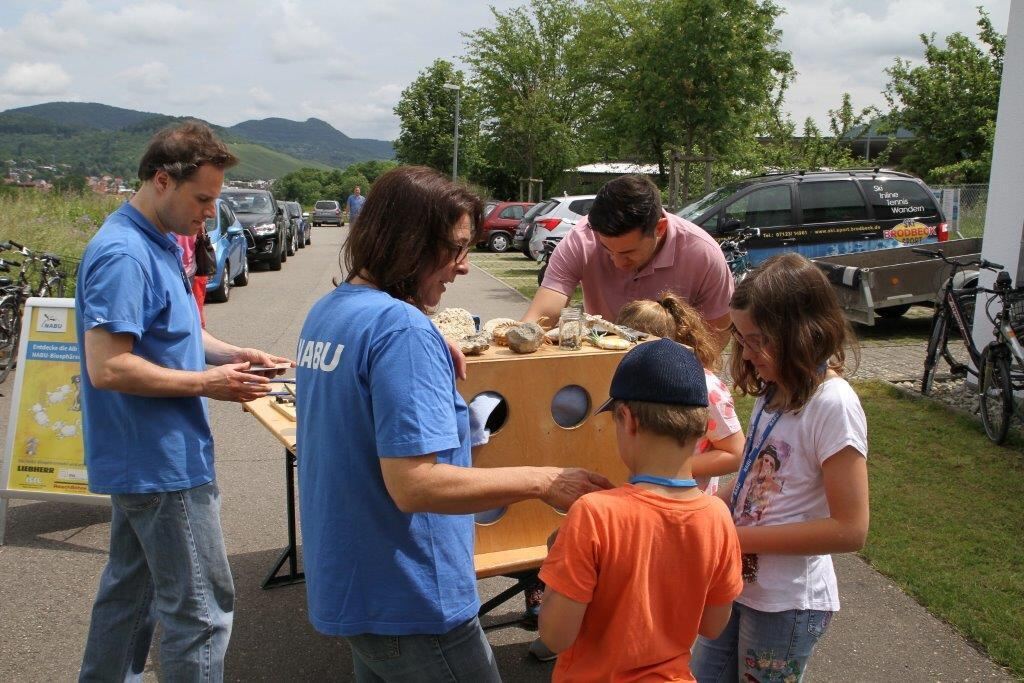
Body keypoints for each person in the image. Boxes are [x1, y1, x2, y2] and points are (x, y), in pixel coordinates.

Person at [294, 165, 612, 682]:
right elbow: (414, 483)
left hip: (356, 588)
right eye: (457, 248)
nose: (464, 267)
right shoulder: (399, 331)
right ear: (409, 243)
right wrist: (545, 481)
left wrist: (418, 333)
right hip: (412, 599)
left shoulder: (330, 312)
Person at [75, 121, 292, 682]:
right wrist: (209, 385)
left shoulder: (159, 240)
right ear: (161, 181)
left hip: (148, 461)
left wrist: (231, 353)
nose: (209, 213)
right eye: (203, 199)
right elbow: (109, 366)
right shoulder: (124, 253)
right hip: (160, 466)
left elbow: (175, 337)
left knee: (130, 598)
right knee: (200, 614)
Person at [691, 252, 870, 682]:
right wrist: (695, 509)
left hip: (786, 603)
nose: (748, 355)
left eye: (758, 340)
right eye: (742, 339)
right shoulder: (773, 391)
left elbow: (850, 529)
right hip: (739, 583)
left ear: (802, 333)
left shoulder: (834, 405)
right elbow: (754, 481)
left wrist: (733, 537)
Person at [536, 339, 743, 681]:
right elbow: (712, 625)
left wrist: (559, 559)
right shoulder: (718, 517)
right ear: (703, 426)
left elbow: (555, 636)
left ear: (627, 419)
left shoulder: (594, 515)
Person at [523, 175, 734, 352]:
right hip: (600, 359)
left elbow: (714, 340)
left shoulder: (703, 253)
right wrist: (519, 339)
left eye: (628, 253)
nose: (617, 262)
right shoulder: (581, 238)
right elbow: (544, 313)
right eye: (606, 250)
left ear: (659, 229)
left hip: (671, 372)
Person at [616, 292, 744, 495]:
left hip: (685, 507)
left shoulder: (706, 388)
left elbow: (735, 454)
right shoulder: (633, 382)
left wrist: (668, 469)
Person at [174, 231, 209, 327]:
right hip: (192, 269)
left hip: (176, 269)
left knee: (179, 313)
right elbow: (202, 236)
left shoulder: (171, 225)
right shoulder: (195, 222)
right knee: (196, 309)